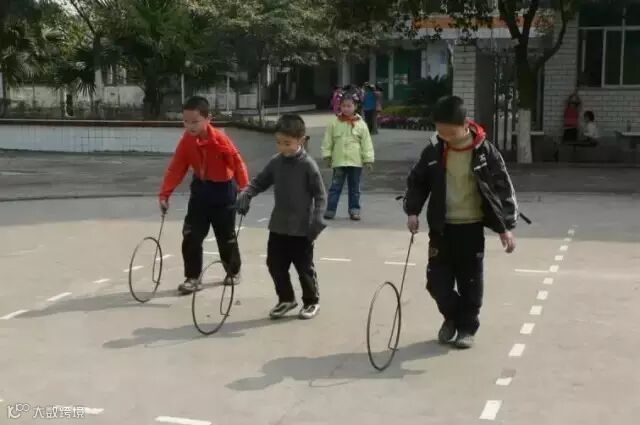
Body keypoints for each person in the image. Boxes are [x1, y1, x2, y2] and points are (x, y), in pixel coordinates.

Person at [403, 96, 518, 349]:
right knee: (436, 283)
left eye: (450, 133)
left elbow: (501, 187)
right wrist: (413, 211)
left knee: (470, 282)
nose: (445, 137)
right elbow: (418, 181)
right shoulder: (434, 148)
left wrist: (506, 227)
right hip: (441, 228)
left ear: (465, 124)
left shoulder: (484, 151)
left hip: (471, 228)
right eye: (440, 132)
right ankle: (453, 317)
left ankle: (467, 327)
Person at [235, 114, 327, 320]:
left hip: (302, 229)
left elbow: (320, 195)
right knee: (274, 264)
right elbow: (259, 182)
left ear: (301, 140)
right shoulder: (276, 162)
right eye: (278, 142)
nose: (282, 147)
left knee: (304, 268)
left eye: (287, 143)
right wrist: (247, 193)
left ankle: (311, 301)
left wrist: (318, 219)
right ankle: (286, 299)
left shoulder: (308, 165)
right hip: (278, 225)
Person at [158, 96, 249, 294]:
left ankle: (233, 271)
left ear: (208, 119)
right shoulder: (186, 141)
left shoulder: (220, 140)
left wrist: (244, 190)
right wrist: (165, 194)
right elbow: (176, 168)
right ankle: (193, 277)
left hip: (224, 191)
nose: (189, 126)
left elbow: (237, 163)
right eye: (186, 121)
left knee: (225, 236)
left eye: (195, 121)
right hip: (200, 190)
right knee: (191, 234)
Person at [321, 93, 375, 221]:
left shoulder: (361, 125)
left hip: (355, 162)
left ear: (355, 106)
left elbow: (367, 143)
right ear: (340, 106)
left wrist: (368, 160)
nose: (346, 108)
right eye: (343, 106)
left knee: (354, 188)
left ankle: (354, 210)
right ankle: (330, 210)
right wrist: (327, 156)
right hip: (339, 161)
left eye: (349, 106)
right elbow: (327, 141)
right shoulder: (334, 123)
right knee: (335, 187)